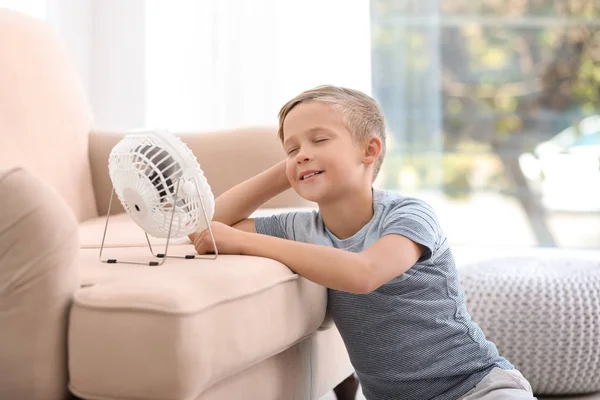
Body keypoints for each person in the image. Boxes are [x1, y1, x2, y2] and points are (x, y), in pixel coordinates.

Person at [189, 85, 536, 400]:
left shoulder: (409, 215)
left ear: (370, 150)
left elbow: (363, 274)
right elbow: (208, 224)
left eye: (319, 140)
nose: (301, 154)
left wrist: (243, 240)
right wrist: (289, 169)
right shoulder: (299, 227)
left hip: (475, 387)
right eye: (291, 148)